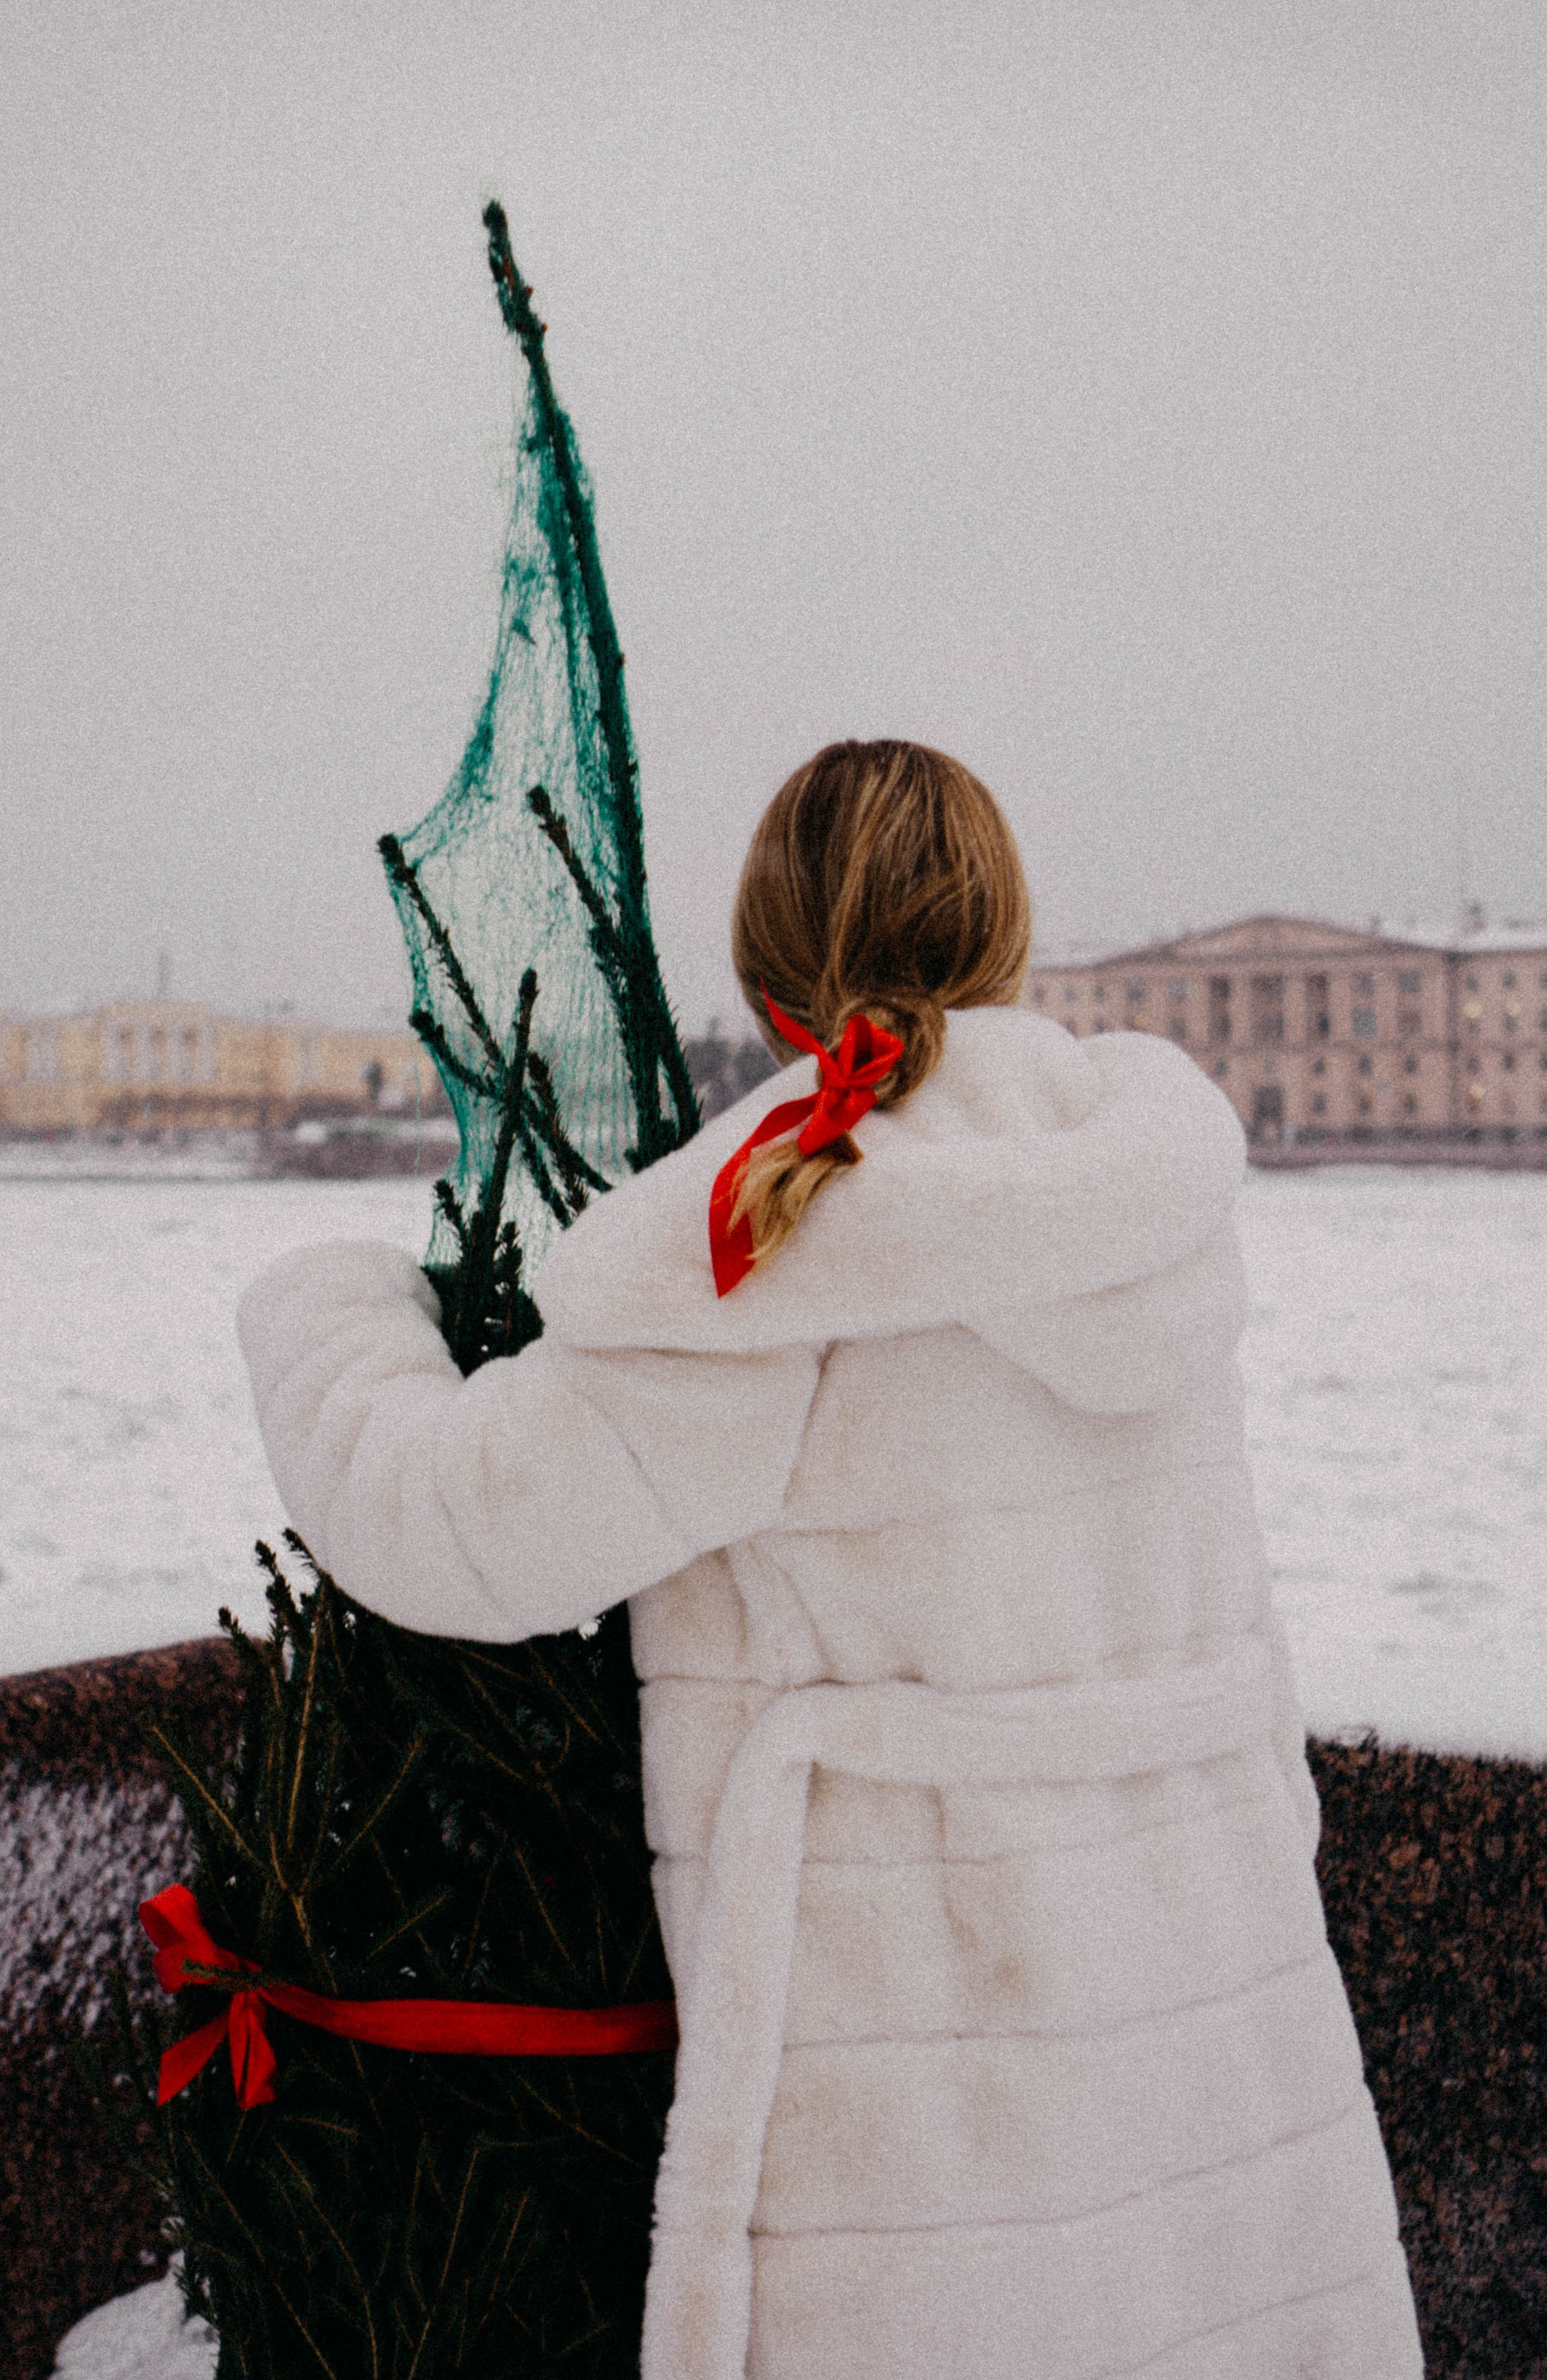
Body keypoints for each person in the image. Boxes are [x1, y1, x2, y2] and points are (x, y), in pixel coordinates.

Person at [238, 739, 1424, 2380]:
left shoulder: (768, 1231)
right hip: (1211, 2041)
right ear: (1008, 933)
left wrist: (329, 1312)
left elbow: (454, 1532)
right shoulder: (1136, 1198)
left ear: (767, 965)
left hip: (924, 2118)